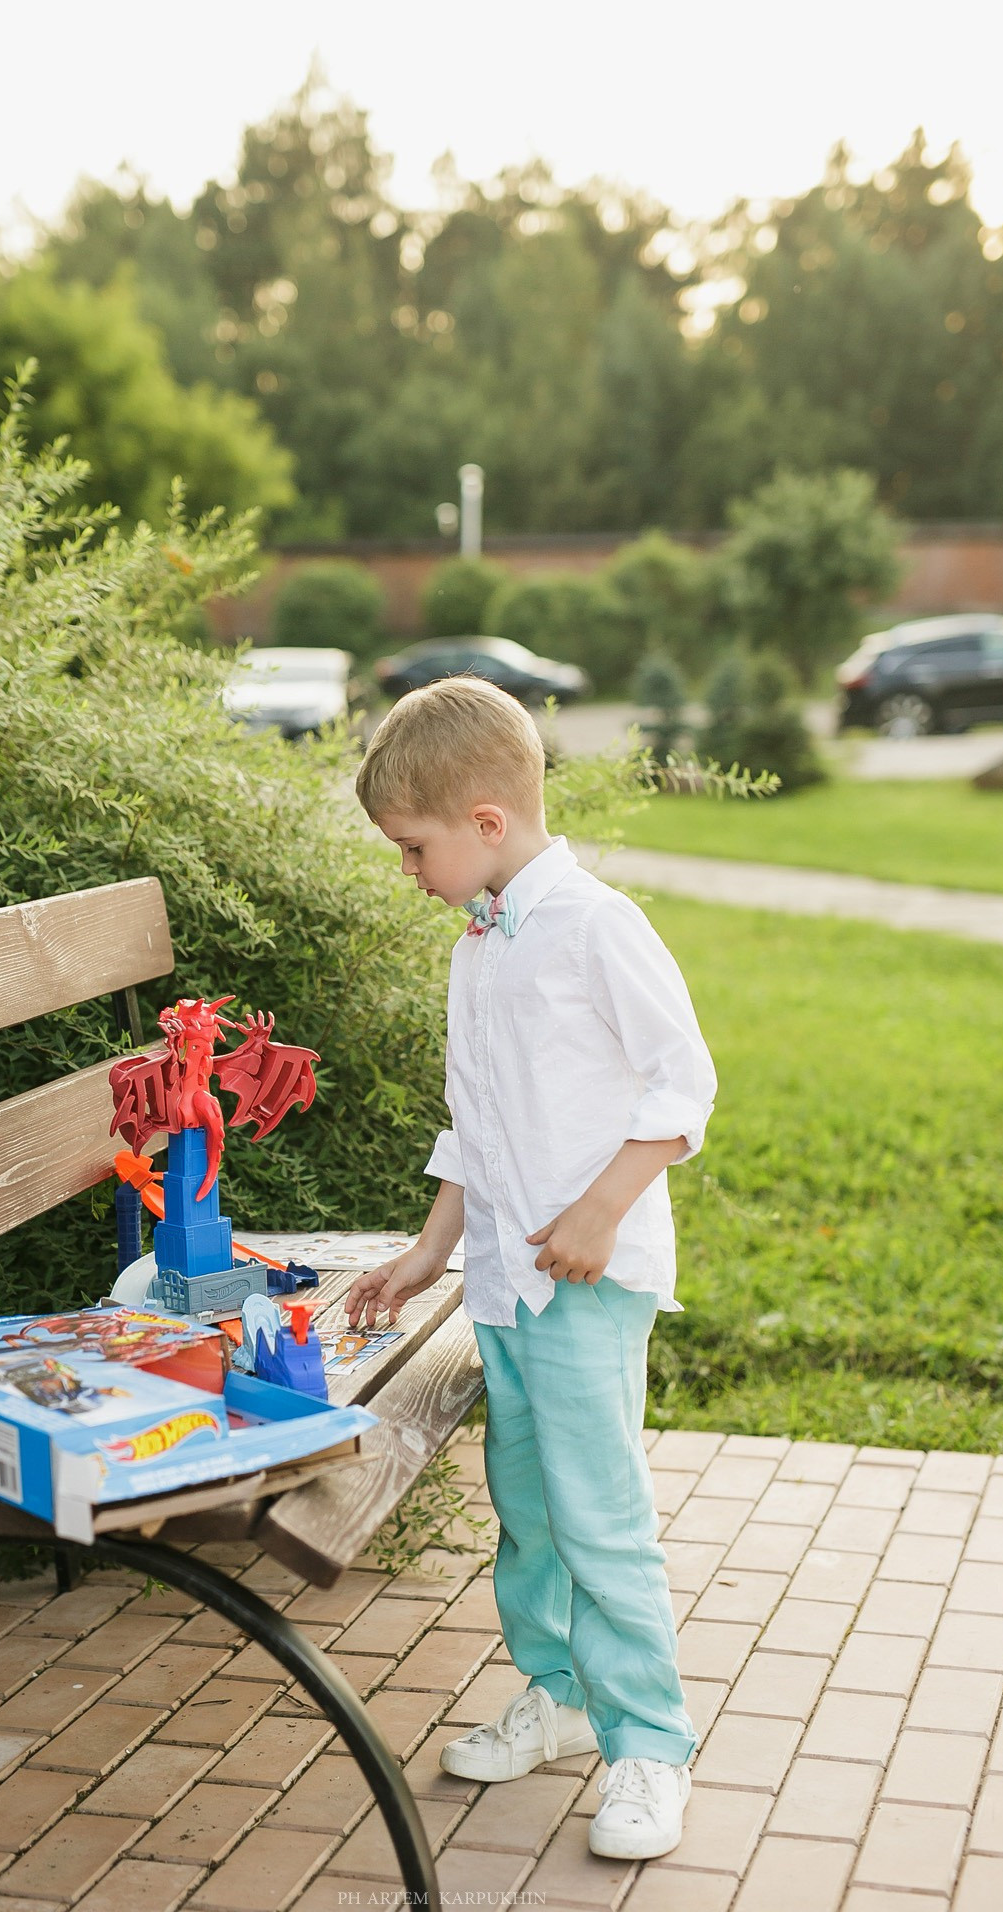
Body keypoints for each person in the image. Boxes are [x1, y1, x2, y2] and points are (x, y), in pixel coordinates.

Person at [345, 676, 717, 1863]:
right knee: (528, 1513)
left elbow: (681, 1087)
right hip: (502, 1284)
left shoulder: (595, 926)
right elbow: (477, 1124)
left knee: (597, 1516)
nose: (407, 872)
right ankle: (557, 1696)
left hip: (583, 1285)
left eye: (413, 848)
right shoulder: (480, 947)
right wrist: (425, 1255)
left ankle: (648, 1743)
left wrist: (603, 1210)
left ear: (486, 824)